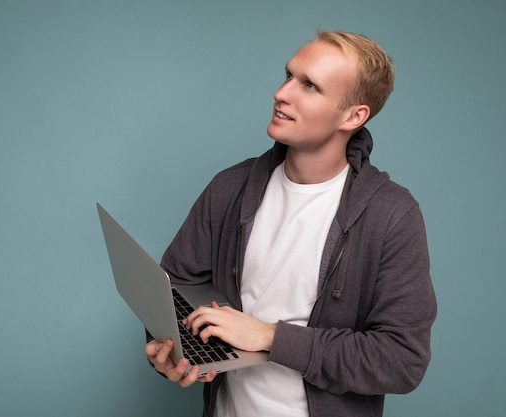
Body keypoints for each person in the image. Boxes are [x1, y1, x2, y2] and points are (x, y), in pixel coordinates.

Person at [145, 30, 437, 417]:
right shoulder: (229, 188)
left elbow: (402, 360)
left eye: (310, 86)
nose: (282, 93)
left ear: (354, 116)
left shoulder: (391, 214)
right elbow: (173, 287)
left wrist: (270, 336)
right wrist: (170, 350)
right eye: (288, 76)